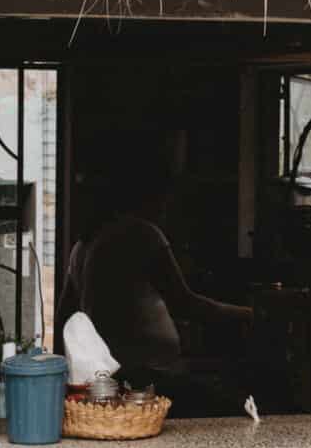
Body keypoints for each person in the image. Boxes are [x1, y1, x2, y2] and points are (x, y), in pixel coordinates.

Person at [59, 159, 252, 408]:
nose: (168, 207)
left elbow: (66, 313)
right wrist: (249, 314)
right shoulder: (140, 233)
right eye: (166, 197)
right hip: (149, 372)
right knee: (232, 407)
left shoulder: (83, 246)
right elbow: (185, 303)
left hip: (112, 373)